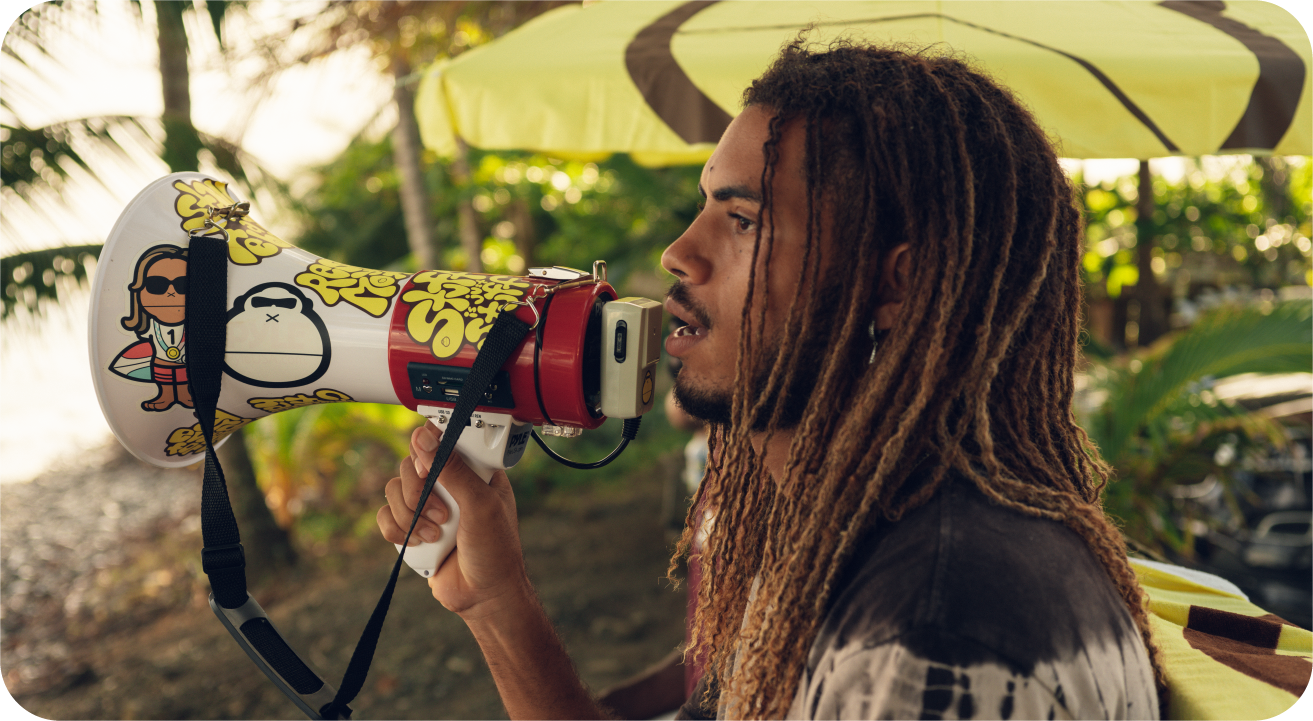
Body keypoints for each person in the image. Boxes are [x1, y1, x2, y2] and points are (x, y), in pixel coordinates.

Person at [377, 39, 1164, 720]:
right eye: (703, 207)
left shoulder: (928, 631)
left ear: (896, 284)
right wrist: (494, 602)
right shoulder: (828, 543)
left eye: (743, 219)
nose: (679, 254)